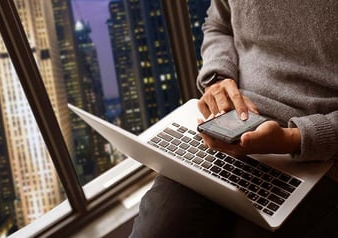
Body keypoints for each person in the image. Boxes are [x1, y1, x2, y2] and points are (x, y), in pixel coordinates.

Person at [129, 1, 338, 237]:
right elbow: (218, 25)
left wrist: (296, 138)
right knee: (157, 230)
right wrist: (218, 77)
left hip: (320, 155)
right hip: (231, 125)